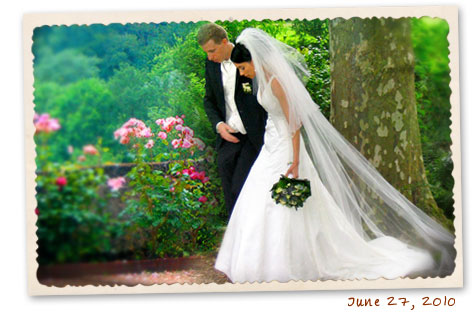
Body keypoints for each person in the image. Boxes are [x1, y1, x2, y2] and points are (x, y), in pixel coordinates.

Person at [214, 28, 456, 283]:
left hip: (286, 149)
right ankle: (259, 261)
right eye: (240, 69)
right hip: (270, 146)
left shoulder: (276, 82)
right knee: (259, 198)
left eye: (243, 67)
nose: (243, 73)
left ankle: (293, 260)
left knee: (284, 203)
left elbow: (294, 121)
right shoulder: (260, 81)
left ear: (255, 60)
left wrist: (295, 160)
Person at [197, 23, 267, 217]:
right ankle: (235, 240)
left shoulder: (247, 55)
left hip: (253, 135)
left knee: (242, 186)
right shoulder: (210, 64)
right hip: (228, 136)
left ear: (225, 42)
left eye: (212, 50)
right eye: (206, 53)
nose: (210, 56)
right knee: (229, 190)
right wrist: (219, 126)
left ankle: (251, 235)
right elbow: (209, 100)